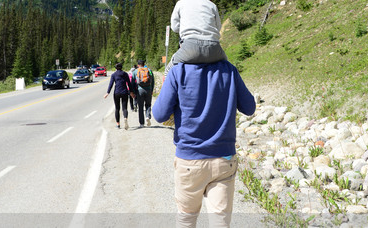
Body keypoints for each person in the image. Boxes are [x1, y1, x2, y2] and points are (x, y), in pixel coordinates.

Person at [153, 59, 255, 228]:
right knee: (220, 222)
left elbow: (160, 114)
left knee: (187, 219)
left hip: (189, 162)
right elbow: (249, 108)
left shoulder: (178, 71)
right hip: (224, 159)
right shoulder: (229, 70)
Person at [168, 0, 226, 69]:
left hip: (190, 48)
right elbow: (218, 27)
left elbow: (174, 27)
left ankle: (166, 84)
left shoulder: (181, 3)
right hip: (214, 48)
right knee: (228, 67)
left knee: (169, 69)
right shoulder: (212, 5)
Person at [103, 62, 134, 129]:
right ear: (121, 67)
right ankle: (125, 118)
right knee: (124, 108)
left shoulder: (114, 75)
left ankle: (118, 124)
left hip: (117, 92)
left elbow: (111, 84)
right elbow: (129, 83)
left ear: (116, 68)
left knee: (117, 108)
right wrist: (131, 92)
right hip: (124, 92)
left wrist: (107, 93)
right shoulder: (125, 74)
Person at [134, 60, 155, 127]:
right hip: (148, 89)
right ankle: (147, 116)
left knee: (140, 106)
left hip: (140, 90)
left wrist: (133, 92)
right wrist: (151, 90)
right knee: (148, 104)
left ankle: (141, 123)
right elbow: (153, 81)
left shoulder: (135, 71)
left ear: (138, 65)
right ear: (144, 64)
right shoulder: (149, 70)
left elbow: (132, 82)